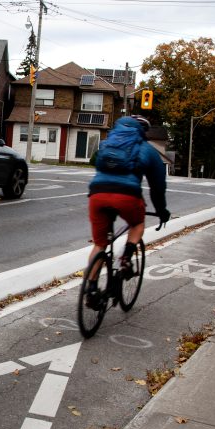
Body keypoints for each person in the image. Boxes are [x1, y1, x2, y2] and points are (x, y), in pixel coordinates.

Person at [85, 115, 169, 295]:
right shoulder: (147, 149)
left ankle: (91, 289)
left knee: (100, 244)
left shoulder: (107, 144)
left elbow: (96, 162)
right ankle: (126, 258)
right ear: (143, 132)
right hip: (127, 196)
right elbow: (158, 187)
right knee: (137, 224)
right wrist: (161, 211)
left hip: (97, 194)